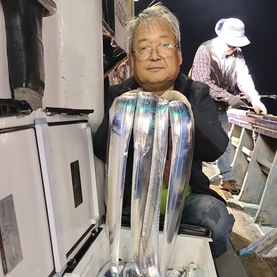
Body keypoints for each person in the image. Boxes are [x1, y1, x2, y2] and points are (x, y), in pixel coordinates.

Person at [93, 4, 235, 259]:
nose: (155, 55)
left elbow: (216, 147)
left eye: (164, 45)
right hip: (131, 201)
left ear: (179, 54)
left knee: (216, 221)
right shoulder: (118, 95)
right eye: (144, 48)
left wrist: (185, 109)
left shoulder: (197, 93)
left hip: (185, 199)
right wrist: (118, 114)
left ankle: (202, 266)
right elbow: (101, 150)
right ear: (132, 59)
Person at [191, 17, 267, 195]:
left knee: (223, 143)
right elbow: (201, 81)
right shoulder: (205, 50)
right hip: (200, 107)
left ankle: (227, 178)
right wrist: (230, 98)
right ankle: (194, 179)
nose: (234, 47)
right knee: (196, 143)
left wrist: (254, 100)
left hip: (220, 108)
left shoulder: (237, 53)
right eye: (231, 43)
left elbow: (244, 78)